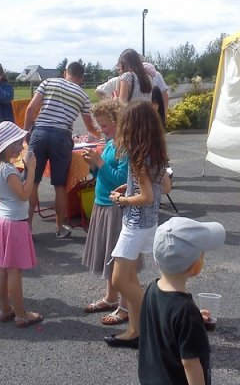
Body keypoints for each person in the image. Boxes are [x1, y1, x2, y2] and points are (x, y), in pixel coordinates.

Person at [104, 101, 171, 349]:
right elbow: (164, 187)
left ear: (131, 127)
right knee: (130, 277)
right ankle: (135, 331)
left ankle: (152, 325)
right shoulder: (155, 153)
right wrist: (128, 187)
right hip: (149, 222)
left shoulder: (137, 157)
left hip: (135, 223)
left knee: (121, 280)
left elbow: (146, 197)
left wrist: (123, 198)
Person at [138, 217, 226, 384]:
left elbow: (165, 325)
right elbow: (190, 364)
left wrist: (192, 322)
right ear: (196, 267)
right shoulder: (186, 311)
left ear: (156, 261)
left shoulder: (152, 289)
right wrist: (191, 321)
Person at [23, 61, 100, 238]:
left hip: (40, 132)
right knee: (60, 185)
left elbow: (30, 109)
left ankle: (27, 227)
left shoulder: (48, 82)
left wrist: (26, 132)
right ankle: (59, 228)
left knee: (32, 182)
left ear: (66, 72)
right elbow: (90, 126)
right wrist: (100, 134)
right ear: (81, 78)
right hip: (62, 137)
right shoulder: (82, 95)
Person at [81, 100, 136, 325]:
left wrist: (99, 163)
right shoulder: (112, 142)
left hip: (116, 206)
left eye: (104, 126)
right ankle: (111, 297)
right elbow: (104, 173)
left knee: (120, 258)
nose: (101, 130)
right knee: (109, 254)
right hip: (102, 203)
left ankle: (125, 306)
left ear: (118, 122)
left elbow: (122, 180)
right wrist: (94, 165)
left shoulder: (125, 146)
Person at [0, 121, 42, 328]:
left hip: (1, 220)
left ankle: (5, 309)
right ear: (6, 145)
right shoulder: (8, 169)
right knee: (15, 271)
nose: (20, 147)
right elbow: (24, 195)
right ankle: (21, 314)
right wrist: (32, 169)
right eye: (17, 143)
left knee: (2, 268)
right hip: (13, 223)